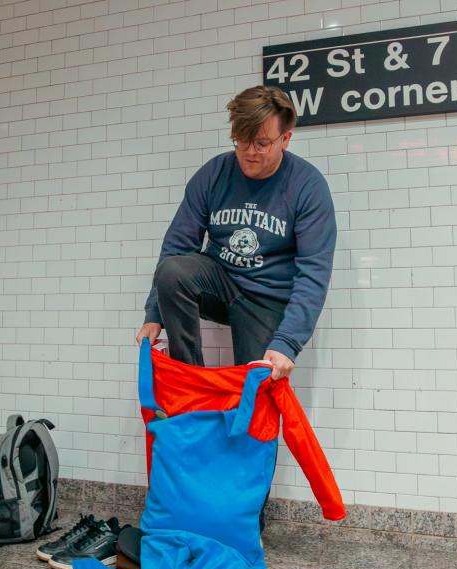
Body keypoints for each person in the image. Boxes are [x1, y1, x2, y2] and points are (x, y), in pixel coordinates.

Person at [135, 85, 336, 378]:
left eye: (262, 143)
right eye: (241, 141)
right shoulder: (214, 174)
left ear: (286, 139)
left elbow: (314, 272)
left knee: (257, 392)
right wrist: (154, 314)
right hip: (220, 285)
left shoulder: (307, 186)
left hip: (268, 298)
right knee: (172, 270)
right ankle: (190, 380)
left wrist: (287, 342)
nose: (249, 152)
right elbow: (177, 246)